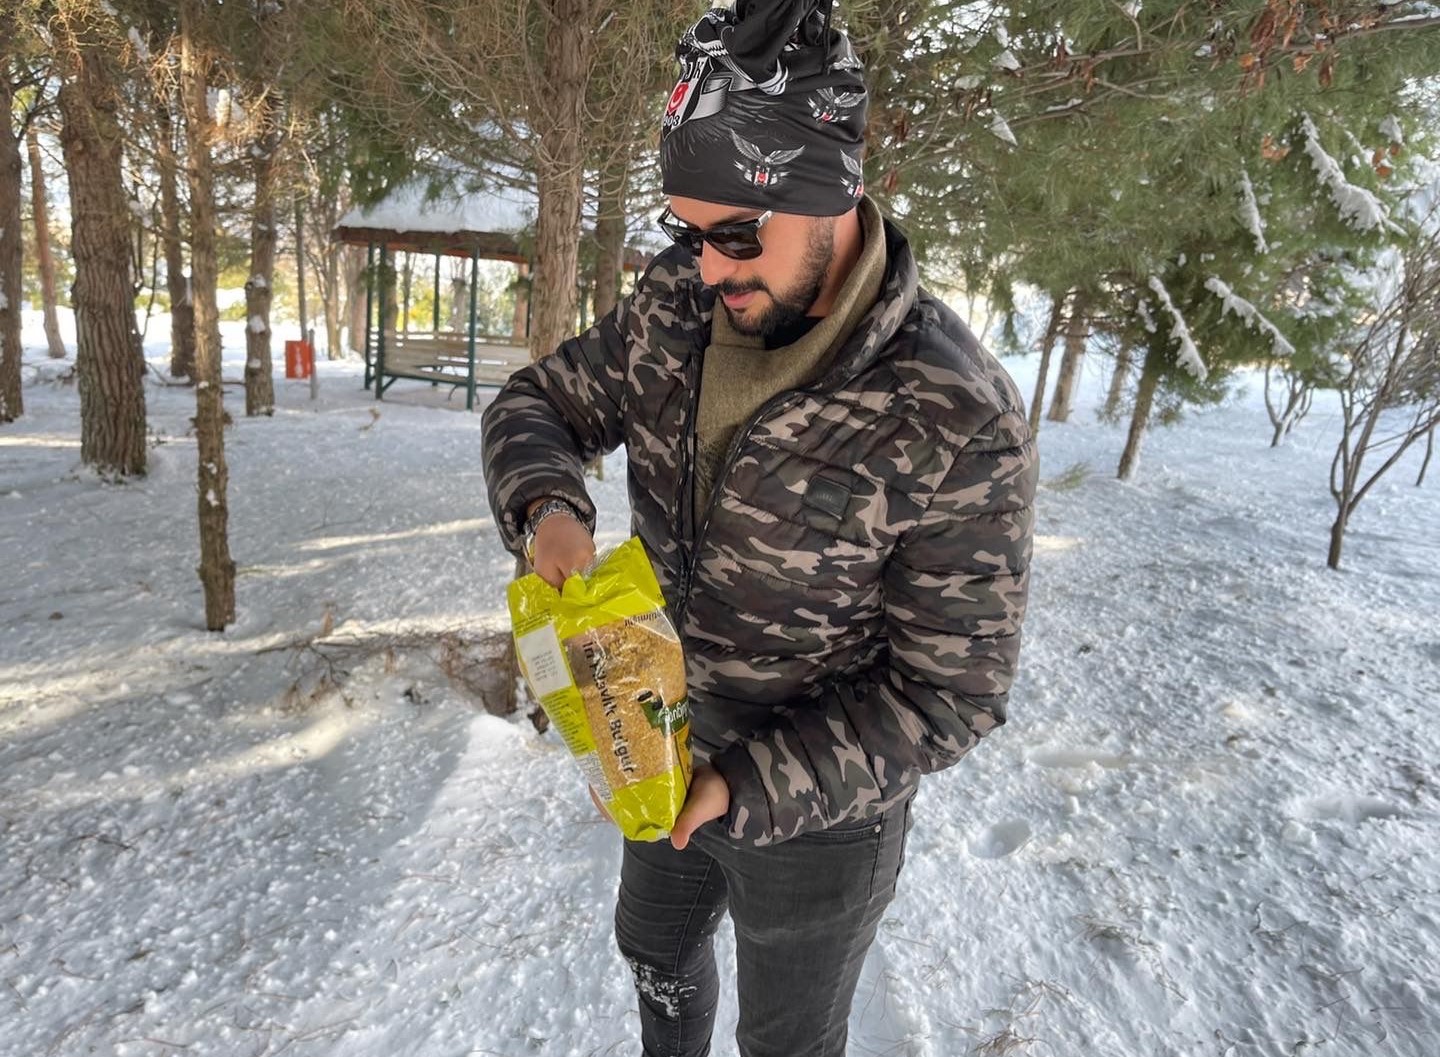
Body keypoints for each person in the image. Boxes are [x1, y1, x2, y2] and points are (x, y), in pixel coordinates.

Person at [481, 2, 1036, 1054]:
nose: (708, 269)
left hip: (820, 815)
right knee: (654, 950)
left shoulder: (954, 413)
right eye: (687, 233)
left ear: (835, 192)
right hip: (662, 739)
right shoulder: (674, 307)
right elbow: (538, 403)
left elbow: (952, 692)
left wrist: (746, 786)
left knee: (787, 1040)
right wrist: (549, 506)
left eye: (737, 234)